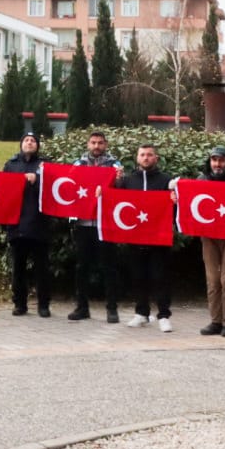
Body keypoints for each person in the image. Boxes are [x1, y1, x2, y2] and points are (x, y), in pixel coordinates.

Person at [173, 146, 225, 338]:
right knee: (212, 280)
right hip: (209, 237)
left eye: (221, 160)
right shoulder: (202, 179)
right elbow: (189, 199)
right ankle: (215, 321)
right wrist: (176, 194)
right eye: (214, 160)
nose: (217, 164)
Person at [115, 143, 174, 332]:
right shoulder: (127, 180)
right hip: (135, 238)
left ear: (156, 158)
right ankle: (141, 313)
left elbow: (176, 207)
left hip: (158, 238)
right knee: (138, 277)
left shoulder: (166, 180)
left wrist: (175, 200)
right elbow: (114, 201)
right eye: (142, 154)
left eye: (150, 155)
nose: (146, 158)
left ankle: (164, 315)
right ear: (137, 158)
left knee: (161, 277)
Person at [67, 130, 121, 323]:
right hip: (82, 223)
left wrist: (119, 179)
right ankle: (82, 307)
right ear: (88, 144)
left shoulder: (115, 165)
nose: (96, 146)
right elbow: (67, 185)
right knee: (82, 267)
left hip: (104, 223)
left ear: (105, 144)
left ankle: (112, 309)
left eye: (100, 143)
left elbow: (122, 190)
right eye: (93, 142)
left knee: (109, 267)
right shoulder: (78, 164)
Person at [3, 133, 52, 318]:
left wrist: (37, 179)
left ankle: (44, 305)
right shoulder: (11, 165)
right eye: (26, 140)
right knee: (18, 268)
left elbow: (56, 189)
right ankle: (20, 304)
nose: (29, 143)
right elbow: (3, 192)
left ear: (37, 146)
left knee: (42, 269)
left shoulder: (46, 165)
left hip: (40, 224)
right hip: (17, 224)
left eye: (33, 141)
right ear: (21, 144)